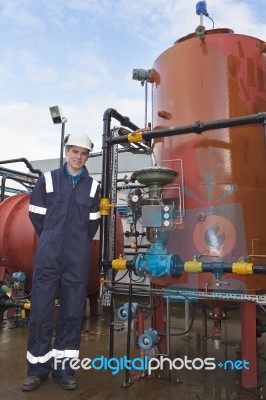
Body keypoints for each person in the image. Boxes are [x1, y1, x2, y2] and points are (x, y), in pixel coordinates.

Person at [22, 132, 101, 391]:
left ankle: (64, 370)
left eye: (84, 153)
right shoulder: (48, 180)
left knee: (72, 311)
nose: (79, 157)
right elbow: (36, 217)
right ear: (67, 151)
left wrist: (75, 240)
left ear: (88, 156)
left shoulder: (93, 187)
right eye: (75, 151)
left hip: (77, 254)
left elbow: (93, 225)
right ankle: (37, 369)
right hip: (49, 252)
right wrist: (52, 236)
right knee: (42, 309)